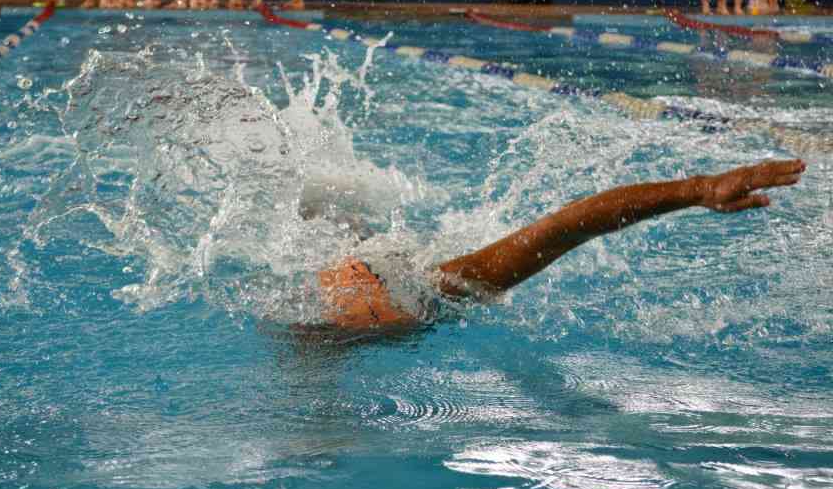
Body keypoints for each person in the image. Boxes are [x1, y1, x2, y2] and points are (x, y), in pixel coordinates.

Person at [316, 160, 805, 331]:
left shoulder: (436, 290)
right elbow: (565, 228)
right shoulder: (324, 326)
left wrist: (697, 190)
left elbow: (566, 227)